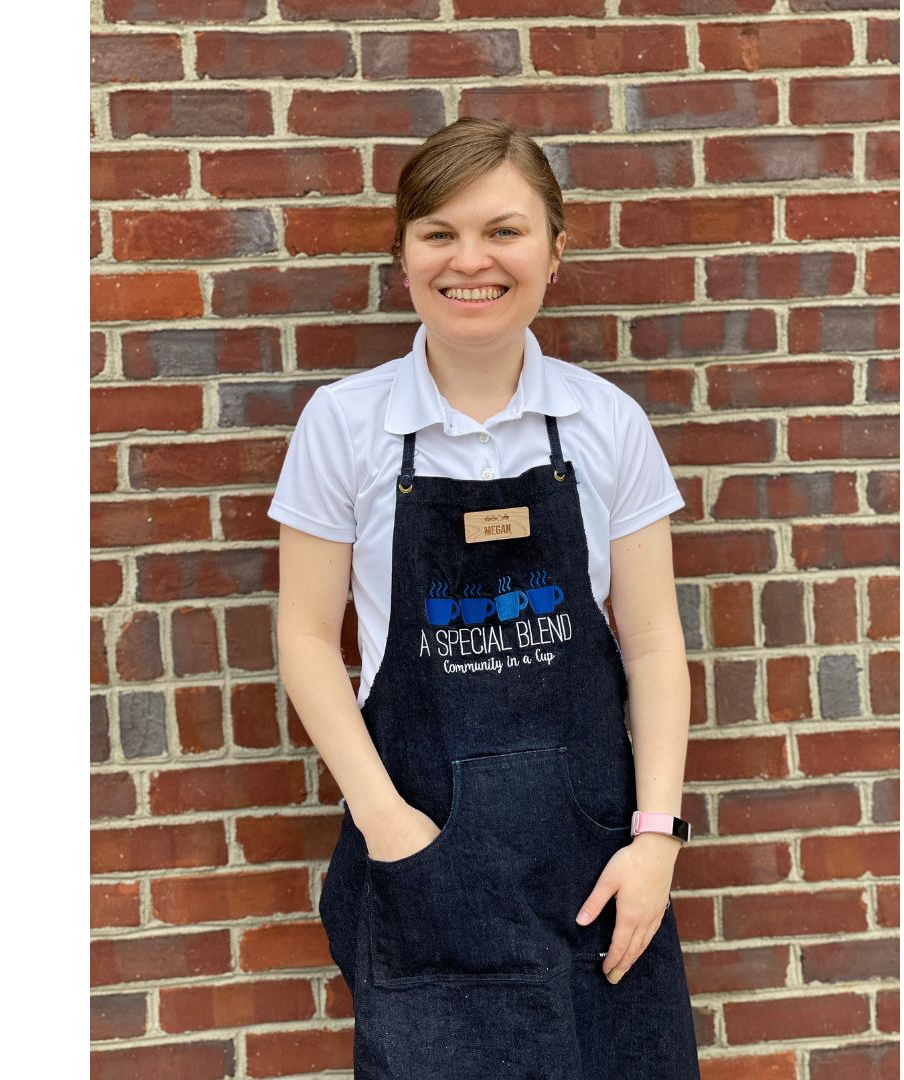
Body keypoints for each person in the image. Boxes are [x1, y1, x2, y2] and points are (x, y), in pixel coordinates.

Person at [267, 117, 701, 1079]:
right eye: (439, 233)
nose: (472, 261)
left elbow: (655, 644)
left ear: (556, 247)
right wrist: (388, 825)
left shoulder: (605, 422)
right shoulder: (346, 424)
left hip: (597, 867)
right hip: (424, 854)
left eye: (504, 231)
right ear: (404, 254)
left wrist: (657, 840)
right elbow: (303, 638)